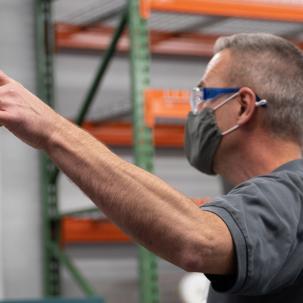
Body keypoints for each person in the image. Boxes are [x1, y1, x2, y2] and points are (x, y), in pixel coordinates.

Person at [0, 32, 303, 303]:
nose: (194, 113)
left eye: (202, 97)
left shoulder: (294, 192)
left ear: (243, 106)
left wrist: (52, 130)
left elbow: (198, 241)